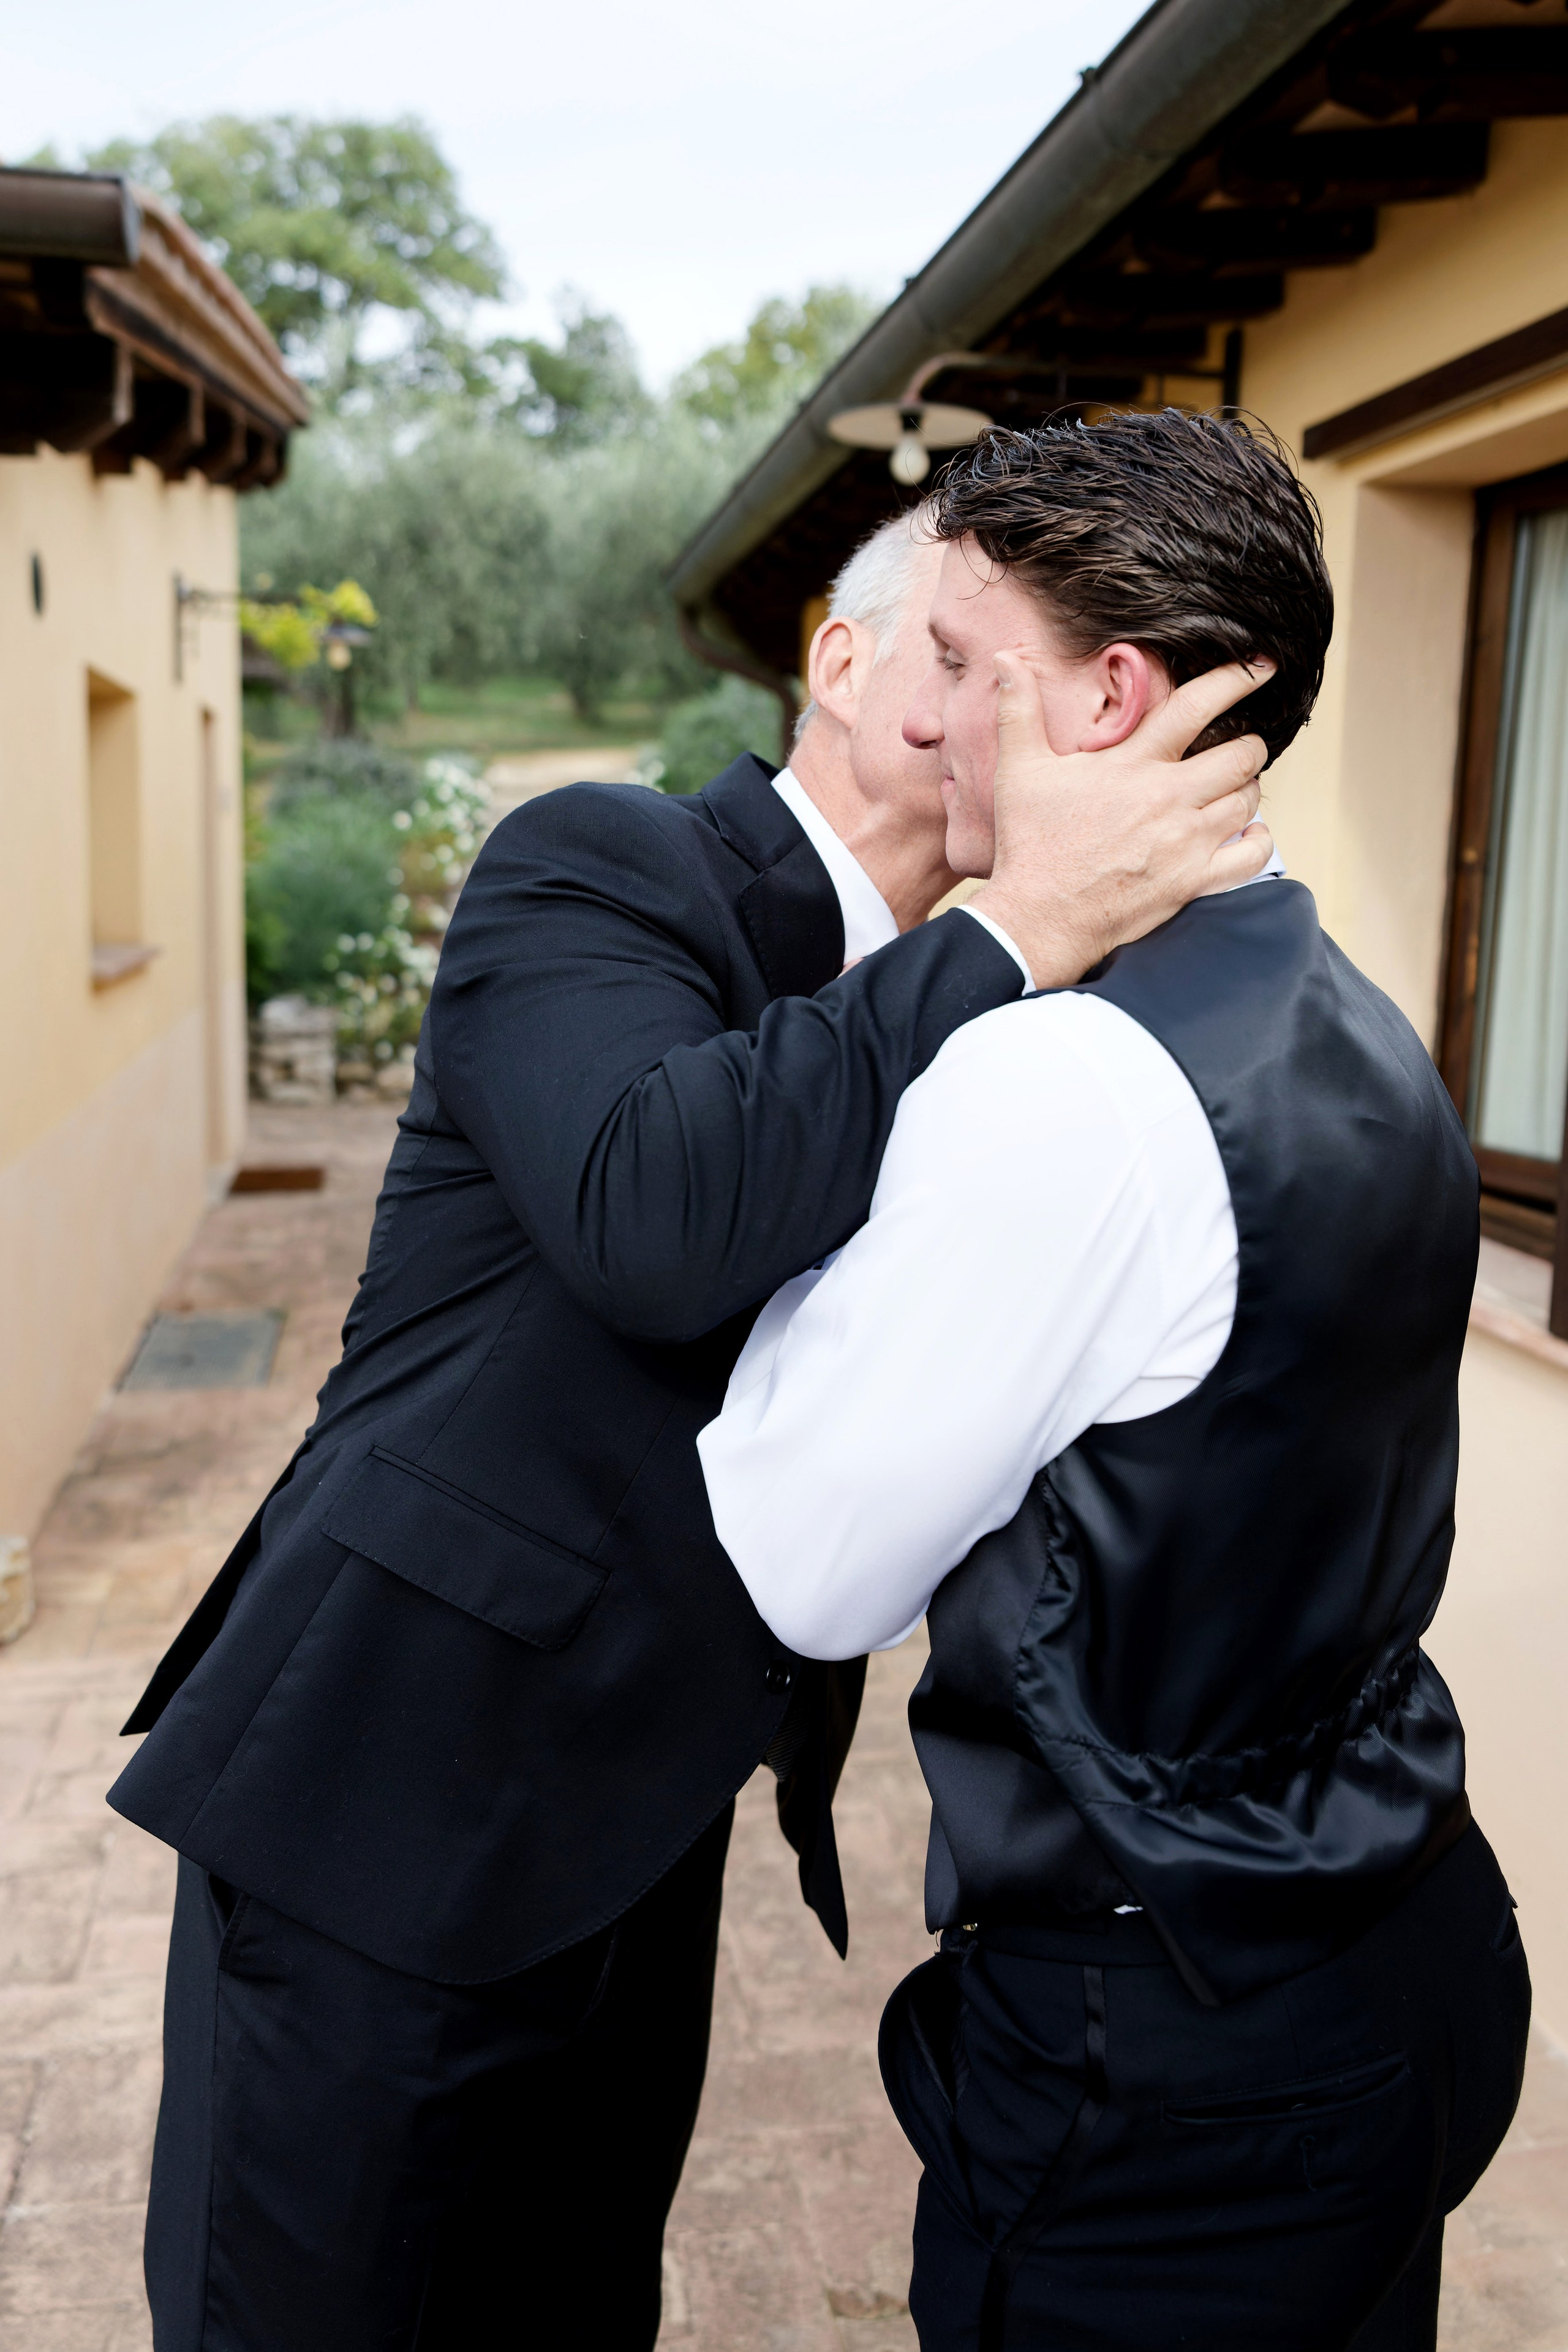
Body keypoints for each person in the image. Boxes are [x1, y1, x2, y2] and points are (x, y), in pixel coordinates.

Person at [108, 497, 1273, 2351]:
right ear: (836, 661)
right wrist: (1017, 924)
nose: (989, 720)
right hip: (393, 1793)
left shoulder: (1034, 1020)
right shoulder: (606, 867)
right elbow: (657, 1216)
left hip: (642, 1826)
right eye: (954, 663)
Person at [700, 412, 1531, 2352]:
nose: (933, 721)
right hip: (1401, 1945)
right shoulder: (1353, 1012)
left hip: (1177, 2074)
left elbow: (809, 1566)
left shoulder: (1059, 1079)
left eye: (972, 668)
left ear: (1113, 699)